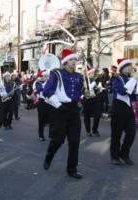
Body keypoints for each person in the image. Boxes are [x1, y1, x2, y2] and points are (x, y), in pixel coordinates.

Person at [43, 49, 84, 179]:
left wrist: (83, 97)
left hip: (73, 110)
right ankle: (49, 156)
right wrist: (59, 105)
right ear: (65, 62)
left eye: (75, 60)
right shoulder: (57, 74)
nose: (74, 62)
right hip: (59, 109)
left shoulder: (79, 76)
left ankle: (72, 168)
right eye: (72, 60)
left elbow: (79, 92)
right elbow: (47, 91)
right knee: (58, 140)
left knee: (74, 141)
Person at [110, 58, 138, 166]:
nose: (131, 68)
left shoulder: (130, 78)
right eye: (128, 66)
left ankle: (124, 154)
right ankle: (114, 156)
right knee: (116, 135)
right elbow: (122, 91)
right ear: (123, 68)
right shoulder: (116, 78)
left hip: (129, 110)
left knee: (131, 133)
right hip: (118, 109)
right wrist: (134, 80)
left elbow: (133, 95)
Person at [83, 66, 102, 137]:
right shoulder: (84, 80)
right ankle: (88, 130)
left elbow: (99, 89)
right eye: (92, 73)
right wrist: (90, 86)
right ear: (88, 73)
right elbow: (83, 91)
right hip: (87, 101)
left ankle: (95, 130)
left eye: (93, 73)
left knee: (97, 115)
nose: (93, 74)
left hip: (96, 100)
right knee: (87, 116)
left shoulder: (97, 80)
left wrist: (99, 89)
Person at [34, 69, 51, 141]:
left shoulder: (51, 83)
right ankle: (41, 135)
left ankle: (51, 134)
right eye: (45, 76)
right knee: (41, 120)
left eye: (47, 76)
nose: (46, 77)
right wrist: (47, 84)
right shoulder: (38, 83)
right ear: (42, 77)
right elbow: (39, 89)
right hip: (42, 102)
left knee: (51, 119)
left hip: (50, 102)